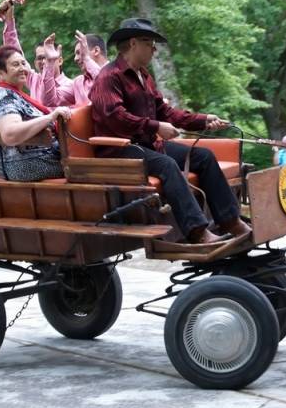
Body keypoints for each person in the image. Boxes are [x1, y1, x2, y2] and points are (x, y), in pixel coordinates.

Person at [89, 18, 251, 245]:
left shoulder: (144, 76)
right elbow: (116, 118)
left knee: (203, 156)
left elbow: (165, 112)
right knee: (167, 165)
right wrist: (155, 127)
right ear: (134, 43)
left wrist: (203, 120)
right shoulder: (108, 77)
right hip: (117, 151)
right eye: (150, 43)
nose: (154, 49)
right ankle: (197, 232)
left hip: (145, 146)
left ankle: (230, 221)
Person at [0, 45, 72, 181]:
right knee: (84, 168)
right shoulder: (5, 97)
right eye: (15, 65)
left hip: (35, 160)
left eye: (23, 63)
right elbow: (10, 134)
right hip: (25, 165)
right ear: (1, 73)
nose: (22, 68)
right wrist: (50, 117)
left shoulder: (13, 93)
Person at [0, 0, 83, 107]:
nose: (43, 62)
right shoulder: (35, 80)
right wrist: (9, 19)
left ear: (60, 60)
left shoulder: (71, 86)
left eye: (47, 58)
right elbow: (14, 53)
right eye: (39, 58)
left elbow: (50, 101)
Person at [65, 32, 109, 106]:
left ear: (96, 51)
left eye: (79, 53)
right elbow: (50, 101)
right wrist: (50, 63)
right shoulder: (78, 82)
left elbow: (106, 84)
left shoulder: (118, 72)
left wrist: (86, 58)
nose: (75, 59)